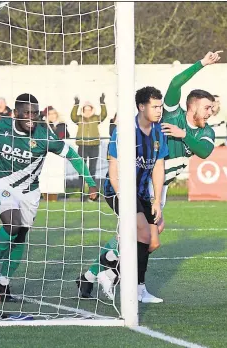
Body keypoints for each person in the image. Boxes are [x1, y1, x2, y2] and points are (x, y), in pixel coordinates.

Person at [0, 93, 98, 302]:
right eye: (27, 113)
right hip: (3, 183)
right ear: (16, 113)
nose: (31, 117)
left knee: (19, 238)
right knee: (12, 224)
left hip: (30, 191)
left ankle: (3, 284)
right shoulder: (0, 127)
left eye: (35, 113)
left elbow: (72, 155)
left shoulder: (44, 134)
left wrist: (90, 182)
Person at [77, 87, 168, 303]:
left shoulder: (158, 132)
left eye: (161, 106)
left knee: (153, 241)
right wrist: (123, 199)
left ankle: (95, 275)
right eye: (155, 106)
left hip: (141, 193)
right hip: (118, 190)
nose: (159, 110)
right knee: (143, 234)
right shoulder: (125, 130)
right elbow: (113, 168)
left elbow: (158, 166)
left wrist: (156, 199)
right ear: (141, 107)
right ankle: (138, 290)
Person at [148, 51, 219, 243]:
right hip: (146, 179)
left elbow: (204, 152)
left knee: (151, 233)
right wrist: (202, 63)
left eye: (212, 108)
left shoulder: (207, 132)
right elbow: (175, 84)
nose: (210, 112)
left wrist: (184, 135)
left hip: (161, 185)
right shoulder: (173, 114)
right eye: (207, 108)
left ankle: (104, 271)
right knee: (147, 236)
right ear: (192, 107)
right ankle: (115, 271)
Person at [71, 94, 108, 200]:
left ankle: (93, 195)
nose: (87, 111)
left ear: (92, 109)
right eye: (85, 109)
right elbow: (73, 117)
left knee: (92, 170)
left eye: (89, 109)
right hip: (82, 146)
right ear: (83, 110)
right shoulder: (79, 118)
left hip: (94, 146)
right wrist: (76, 104)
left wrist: (102, 103)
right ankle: (82, 194)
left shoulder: (96, 118)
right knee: (81, 170)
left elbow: (104, 115)